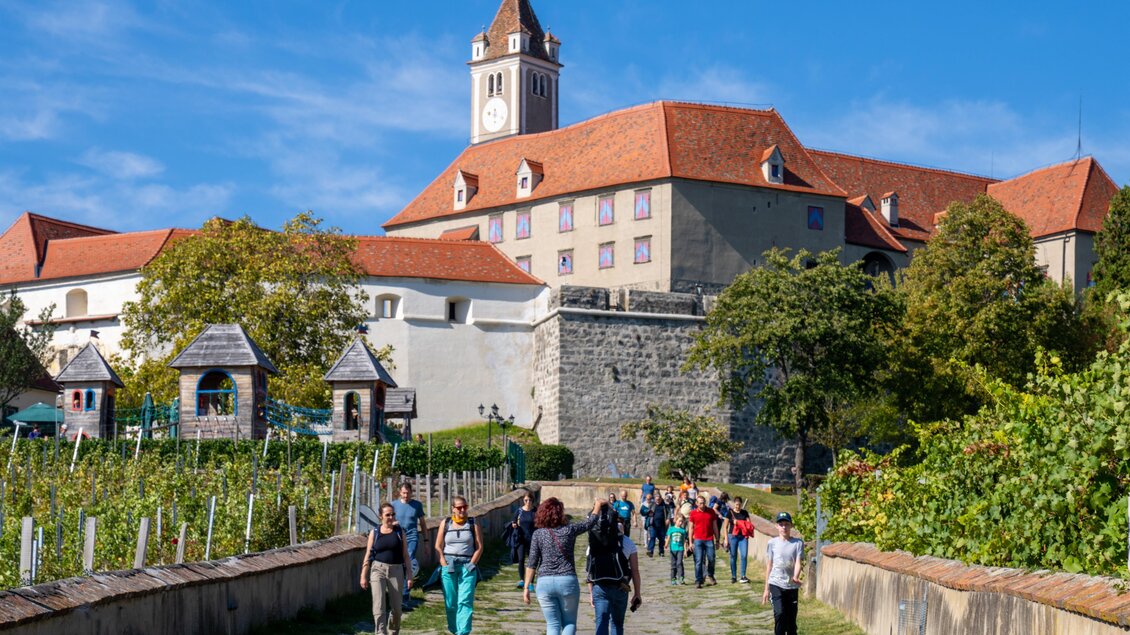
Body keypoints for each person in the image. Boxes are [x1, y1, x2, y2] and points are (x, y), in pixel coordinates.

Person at [523, 496, 604, 635]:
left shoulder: (538, 534)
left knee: (552, 624)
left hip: (544, 582)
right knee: (569, 622)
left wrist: (526, 587)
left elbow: (532, 562)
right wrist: (598, 506)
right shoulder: (569, 529)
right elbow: (589, 523)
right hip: (567, 581)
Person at [585, 504, 643, 635]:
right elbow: (635, 571)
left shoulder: (594, 540)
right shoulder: (627, 542)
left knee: (601, 623)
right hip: (620, 587)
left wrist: (591, 593)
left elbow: (589, 568)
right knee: (617, 624)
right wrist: (637, 593)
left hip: (600, 586)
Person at [360, 502, 412, 635]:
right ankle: (380, 632)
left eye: (393, 514)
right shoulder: (375, 532)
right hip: (378, 569)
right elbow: (368, 554)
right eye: (387, 515)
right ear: (380, 517)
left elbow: (406, 555)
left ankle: (393, 631)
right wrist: (363, 575)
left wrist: (410, 575)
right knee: (379, 606)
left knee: (397, 608)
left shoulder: (400, 532)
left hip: (396, 570)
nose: (391, 517)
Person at [435, 495, 483, 635]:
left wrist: (472, 563)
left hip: (467, 566)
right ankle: (454, 630)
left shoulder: (473, 523)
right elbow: (438, 546)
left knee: (465, 601)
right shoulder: (446, 523)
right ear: (453, 509)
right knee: (451, 603)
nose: (462, 510)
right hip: (448, 566)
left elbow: (479, 547)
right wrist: (443, 562)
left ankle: (463, 632)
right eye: (459, 507)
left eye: (465, 507)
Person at [763, 512, 803, 635]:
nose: (784, 527)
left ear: (791, 526)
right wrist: (766, 589)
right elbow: (769, 565)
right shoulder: (772, 543)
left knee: (791, 620)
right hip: (776, 583)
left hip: (791, 585)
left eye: (786, 524)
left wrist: (795, 576)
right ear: (777, 526)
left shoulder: (797, 543)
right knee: (780, 614)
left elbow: (797, 562)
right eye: (781, 524)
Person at [391, 482, 427, 608]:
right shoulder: (393, 505)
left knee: (408, 561)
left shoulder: (417, 505)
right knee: (399, 564)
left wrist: (426, 540)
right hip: (398, 537)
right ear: (400, 493)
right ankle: (398, 593)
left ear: (411, 492)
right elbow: (387, 521)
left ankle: (405, 596)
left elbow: (422, 523)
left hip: (412, 538)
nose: (406, 495)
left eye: (408, 493)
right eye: (403, 493)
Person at [687, 495, 719, 588]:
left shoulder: (711, 512)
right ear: (696, 503)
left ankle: (710, 575)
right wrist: (690, 542)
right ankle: (698, 580)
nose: (702, 504)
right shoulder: (693, 513)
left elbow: (715, 526)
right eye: (700, 503)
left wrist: (717, 540)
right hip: (698, 540)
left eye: (704, 502)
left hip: (709, 539)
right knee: (699, 561)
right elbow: (691, 528)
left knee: (712, 559)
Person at [722, 496, 753, 583]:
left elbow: (749, 524)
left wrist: (740, 523)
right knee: (733, 556)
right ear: (734, 504)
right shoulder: (730, 513)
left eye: (739, 505)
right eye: (736, 505)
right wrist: (726, 540)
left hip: (743, 537)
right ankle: (734, 576)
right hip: (732, 536)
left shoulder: (744, 513)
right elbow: (725, 526)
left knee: (743, 555)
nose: (737, 507)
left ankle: (743, 576)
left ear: (741, 504)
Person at [512, 492, 538, 589]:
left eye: (530, 500)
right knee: (521, 559)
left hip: (533, 539)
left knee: (532, 561)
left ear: (532, 500)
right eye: (526, 500)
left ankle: (531, 582)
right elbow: (513, 521)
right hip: (521, 538)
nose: (528, 502)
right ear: (523, 500)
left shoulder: (535, 511)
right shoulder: (519, 511)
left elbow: (540, 522)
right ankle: (522, 580)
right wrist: (514, 524)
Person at [665, 514, 688, 585]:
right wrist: (666, 544)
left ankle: (681, 577)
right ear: (675, 521)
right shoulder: (671, 529)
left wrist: (685, 550)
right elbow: (668, 538)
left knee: (679, 563)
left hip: (680, 549)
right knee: (673, 564)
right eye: (679, 521)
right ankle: (673, 578)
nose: (680, 523)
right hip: (673, 549)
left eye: (682, 522)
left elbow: (684, 541)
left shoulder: (683, 530)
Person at [645, 493, 668, 557]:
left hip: (662, 525)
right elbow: (647, 513)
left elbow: (668, 513)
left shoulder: (664, 506)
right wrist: (649, 514)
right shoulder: (652, 505)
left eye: (659, 499)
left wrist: (668, 519)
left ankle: (661, 552)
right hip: (653, 525)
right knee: (652, 537)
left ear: (661, 499)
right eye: (656, 499)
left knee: (661, 539)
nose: (657, 500)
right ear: (655, 499)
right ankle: (650, 551)